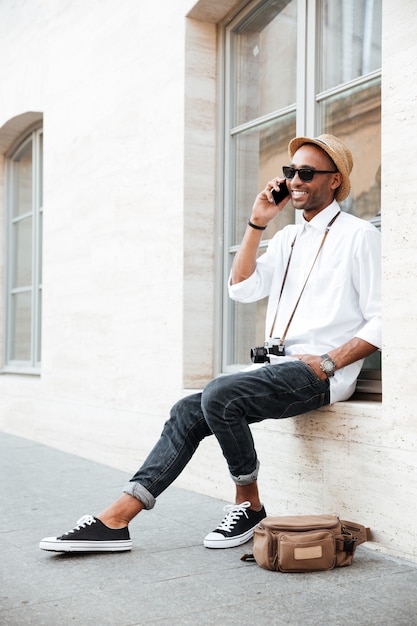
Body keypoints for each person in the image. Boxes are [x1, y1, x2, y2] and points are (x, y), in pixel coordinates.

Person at [39, 134, 381, 553]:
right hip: (278, 367)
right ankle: (116, 519)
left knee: (220, 393)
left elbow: (384, 317)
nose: (294, 180)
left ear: (334, 181)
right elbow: (242, 288)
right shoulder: (289, 238)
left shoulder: (359, 236)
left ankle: (249, 504)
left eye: (306, 173)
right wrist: (258, 223)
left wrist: (330, 362)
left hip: (321, 373)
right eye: (289, 172)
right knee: (186, 409)